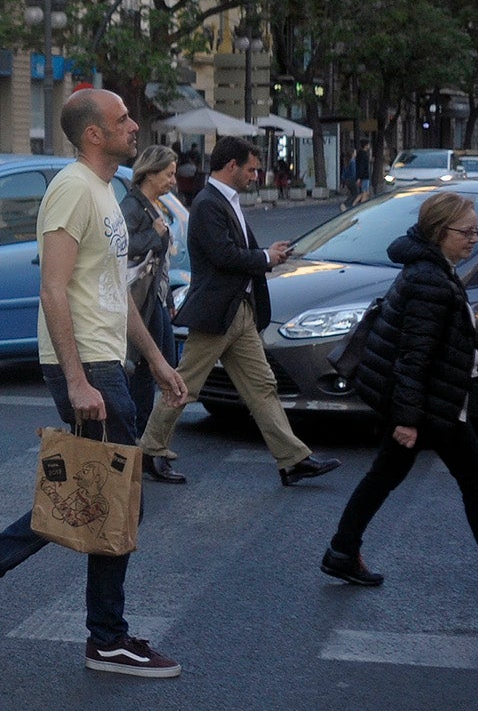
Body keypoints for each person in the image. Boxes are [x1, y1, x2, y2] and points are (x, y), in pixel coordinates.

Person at [0, 90, 188, 677]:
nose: (135, 125)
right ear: (93, 135)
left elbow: (112, 292)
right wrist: (78, 380)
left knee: (97, 493)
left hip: (109, 360)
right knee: (112, 496)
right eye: (122, 119)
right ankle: (105, 637)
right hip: (85, 367)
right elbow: (53, 289)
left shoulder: (106, 190)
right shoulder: (72, 188)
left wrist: (155, 357)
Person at [321, 192, 478, 603]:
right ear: (438, 232)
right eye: (465, 231)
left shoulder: (431, 268)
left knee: (387, 474)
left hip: (430, 400)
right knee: (476, 480)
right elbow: (414, 356)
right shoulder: (430, 280)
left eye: (476, 230)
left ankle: (342, 550)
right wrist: (407, 419)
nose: (474, 239)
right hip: (432, 404)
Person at [137, 136, 342, 487]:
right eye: (251, 168)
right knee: (184, 384)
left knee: (262, 386)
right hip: (218, 312)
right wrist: (266, 258)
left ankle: (293, 460)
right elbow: (223, 256)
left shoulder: (224, 200)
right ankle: (150, 450)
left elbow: (236, 250)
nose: (255, 175)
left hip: (239, 311)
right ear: (231, 166)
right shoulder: (207, 204)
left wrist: (266, 252)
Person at [120, 144, 181, 478]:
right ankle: (143, 449)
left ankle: (150, 445)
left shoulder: (154, 205)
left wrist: (169, 299)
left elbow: (161, 264)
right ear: (150, 173)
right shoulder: (132, 206)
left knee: (165, 369)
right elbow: (121, 249)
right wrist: (152, 234)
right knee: (147, 375)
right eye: (168, 174)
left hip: (155, 300)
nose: (173, 180)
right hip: (139, 303)